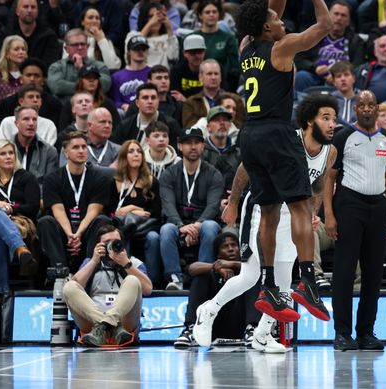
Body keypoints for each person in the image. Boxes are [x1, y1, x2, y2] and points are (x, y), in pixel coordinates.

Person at [195, 94, 339, 350]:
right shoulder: (286, 140)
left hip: (293, 217)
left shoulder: (330, 152)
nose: (332, 124)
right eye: (325, 118)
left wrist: (313, 213)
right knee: (250, 276)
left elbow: (318, 185)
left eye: (334, 119)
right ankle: (208, 311)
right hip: (264, 209)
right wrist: (234, 203)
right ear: (308, 121)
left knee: (284, 284)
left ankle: (262, 334)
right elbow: (246, 166)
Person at [235, 0, 333, 322]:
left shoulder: (246, 46)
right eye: (276, 20)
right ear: (267, 28)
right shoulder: (282, 47)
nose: (282, 19)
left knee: (269, 211)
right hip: (277, 133)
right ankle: (306, 280)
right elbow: (325, 24)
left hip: (249, 135)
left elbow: (266, 11)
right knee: (302, 208)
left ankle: (267, 286)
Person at [323, 90, 386, 350]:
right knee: (344, 272)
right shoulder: (343, 137)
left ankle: (366, 332)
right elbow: (329, 178)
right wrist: (329, 215)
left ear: (377, 109)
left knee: (374, 273)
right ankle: (342, 333)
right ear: (355, 109)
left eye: (371, 105)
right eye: (361, 105)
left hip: (378, 207)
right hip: (349, 205)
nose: (366, 109)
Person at [156, 128, 224, 290]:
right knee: (166, 230)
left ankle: (203, 276)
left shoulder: (214, 174)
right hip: (178, 223)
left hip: (204, 222)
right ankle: (175, 278)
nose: (192, 147)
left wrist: (197, 224)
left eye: (197, 143)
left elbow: (213, 205)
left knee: (210, 226)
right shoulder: (169, 174)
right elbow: (168, 204)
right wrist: (181, 225)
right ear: (179, 146)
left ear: (203, 146)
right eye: (188, 143)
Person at [63, 223, 151, 347]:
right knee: (69, 286)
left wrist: (126, 263)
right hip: (92, 326)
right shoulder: (90, 262)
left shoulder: (134, 263)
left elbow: (147, 289)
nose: (111, 246)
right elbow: (75, 287)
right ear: (98, 246)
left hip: (126, 324)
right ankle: (107, 325)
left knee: (133, 280)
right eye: (107, 243)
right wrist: (94, 261)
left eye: (115, 242)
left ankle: (108, 323)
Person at [37, 132, 111, 270]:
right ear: (66, 153)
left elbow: (94, 210)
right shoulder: (52, 178)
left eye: (84, 147)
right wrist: (70, 234)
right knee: (45, 221)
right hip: (63, 231)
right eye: (76, 147)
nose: (81, 151)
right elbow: (57, 209)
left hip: (87, 230)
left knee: (102, 220)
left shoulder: (100, 179)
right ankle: (60, 271)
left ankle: (89, 269)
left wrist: (78, 234)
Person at [0, 140, 39, 295]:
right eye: (3, 154)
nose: (8, 157)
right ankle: (20, 249)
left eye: (11, 153)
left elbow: (33, 207)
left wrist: (10, 208)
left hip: (21, 223)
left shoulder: (26, 178)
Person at [46, 29, 112, 102]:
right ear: (66, 48)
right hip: (64, 108)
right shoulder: (56, 66)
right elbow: (57, 87)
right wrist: (89, 86)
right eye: (75, 45)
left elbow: (105, 85)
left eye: (82, 44)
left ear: (87, 46)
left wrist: (82, 68)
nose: (80, 47)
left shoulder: (100, 66)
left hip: (94, 107)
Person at [113, 83, 182, 148]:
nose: (150, 101)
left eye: (153, 98)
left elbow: (177, 152)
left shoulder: (171, 125)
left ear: (158, 101)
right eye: (145, 98)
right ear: (137, 103)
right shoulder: (124, 126)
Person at [9, 104, 59, 186]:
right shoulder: (4, 149)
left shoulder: (49, 151)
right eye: (26, 119)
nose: (31, 123)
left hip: (39, 197)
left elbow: (50, 185)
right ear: (16, 123)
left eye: (34, 119)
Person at [0, 35, 26, 106]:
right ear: (7, 53)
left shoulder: (29, 74)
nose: (21, 52)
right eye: (16, 49)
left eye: (23, 49)